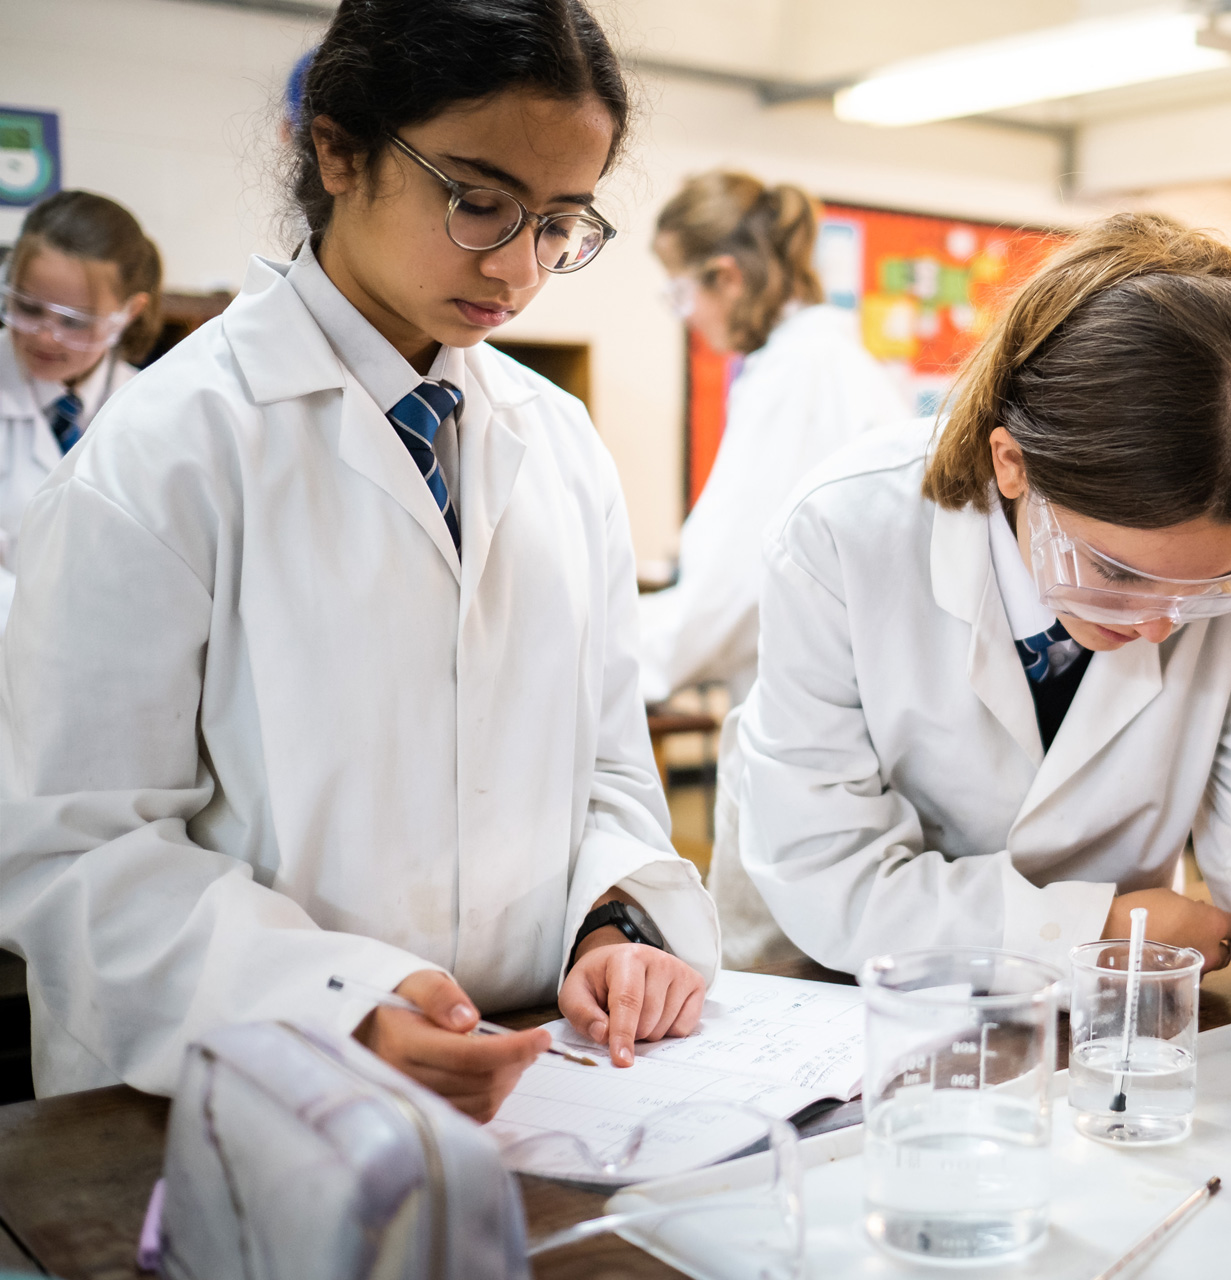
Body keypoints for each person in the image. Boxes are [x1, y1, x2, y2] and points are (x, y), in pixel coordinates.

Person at [0, 0, 718, 1117]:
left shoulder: (560, 444)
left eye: (559, 221)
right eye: (479, 202)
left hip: (544, 1078)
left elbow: (611, 770)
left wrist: (616, 922)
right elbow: (78, 856)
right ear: (338, 148)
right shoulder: (164, 453)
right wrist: (336, 1002)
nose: (520, 269)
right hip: (251, 1090)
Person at [726, 213, 1231, 1075]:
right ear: (1012, 465)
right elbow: (837, 878)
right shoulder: (844, 532)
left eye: (1206, 588)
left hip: (1100, 1026)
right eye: (1115, 572)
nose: (1159, 624)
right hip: (836, 1005)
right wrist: (1095, 928)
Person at [639, 172, 908, 705]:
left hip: (826, 698)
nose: (684, 315)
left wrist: (595, 656)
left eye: (679, 292)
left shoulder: (798, 376)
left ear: (727, 277)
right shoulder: (818, 364)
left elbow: (732, 590)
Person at [0, 191, 161, 628]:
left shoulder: (155, 408)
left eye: (75, 321)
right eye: (27, 308)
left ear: (129, 313)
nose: (46, 337)